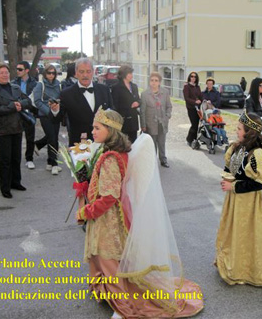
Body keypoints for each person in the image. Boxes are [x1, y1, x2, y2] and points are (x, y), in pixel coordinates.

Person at [76, 108, 204, 318]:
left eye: (97, 128)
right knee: (111, 258)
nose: (92, 131)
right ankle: (107, 291)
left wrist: (85, 211)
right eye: (93, 127)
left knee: (107, 259)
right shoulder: (118, 153)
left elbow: (109, 197)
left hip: (108, 219)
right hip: (116, 216)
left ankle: (124, 306)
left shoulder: (109, 158)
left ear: (110, 131)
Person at [216, 111, 262, 287]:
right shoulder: (236, 147)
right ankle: (232, 263)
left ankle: (249, 272)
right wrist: (227, 178)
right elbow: (230, 167)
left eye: (239, 128)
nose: (236, 130)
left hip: (249, 204)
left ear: (249, 132)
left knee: (246, 236)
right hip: (235, 201)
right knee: (234, 233)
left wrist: (233, 186)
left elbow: (258, 184)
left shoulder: (258, 154)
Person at [0, 63, 31, 198]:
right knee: (5, 160)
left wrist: (20, 105)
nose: (5, 75)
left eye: (6, 72)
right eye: (2, 73)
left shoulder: (15, 88)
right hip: (3, 129)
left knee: (16, 158)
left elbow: (27, 101)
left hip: (17, 127)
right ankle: (5, 187)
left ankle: (16, 182)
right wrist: (12, 107)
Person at [50, 58, 113, 146]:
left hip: (103, 143)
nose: (85, 75)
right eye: (81, 71)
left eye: (88, 71)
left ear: (93, 72)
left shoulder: (104, 90)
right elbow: (56, 120)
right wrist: (55, 110)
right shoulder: (66, 93)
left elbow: (112, 114)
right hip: (79, 144)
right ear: (76, 73)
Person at [33, 64, 63, 175]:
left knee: (54, 137)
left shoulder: (58, 85)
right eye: (49, 73)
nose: (51, 75)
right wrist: (48, 111)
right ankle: (55, 164)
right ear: (45, 74)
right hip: (45, 115)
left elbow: (61, 98)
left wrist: (57, 108)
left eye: (53, 73)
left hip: (56, 113)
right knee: (52, 138)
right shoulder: (40, 85)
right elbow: (37, 101)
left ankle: (49, 162)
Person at [140, 72, 172, 168]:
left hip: (162, 122)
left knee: (162, 143)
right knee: (152, 144)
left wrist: (167, 116)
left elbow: (169, 106)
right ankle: (152, 161)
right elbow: (142, 111)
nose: (154, 82)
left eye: (156, 80)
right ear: (149, 82)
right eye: (152, 80)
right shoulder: (145, 94)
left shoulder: (165, 92)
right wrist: (143, 125)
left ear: (159, 82)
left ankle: (163, 160)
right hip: (150, 123)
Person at [11, 61, 38, 170]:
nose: (18, 71)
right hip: (16, 113)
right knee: (16, 138)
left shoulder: (34, 83)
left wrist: (32, 110)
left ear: (27, 70)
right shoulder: (13, 83)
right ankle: (15, 159)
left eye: (20, 69)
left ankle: (29, 159)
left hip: (29, 112)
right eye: (17, 69)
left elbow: (35, 99)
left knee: (30, 137)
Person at [111, 65, 140, 143]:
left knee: (134, 144)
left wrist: (137, 103)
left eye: (131, 73)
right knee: (123, 144)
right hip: (123, 122)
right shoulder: (116, 87)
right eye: (129, 73)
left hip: (133, 121)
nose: (131, 75)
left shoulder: (134, 86)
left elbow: (138, 99)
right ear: (123, 74)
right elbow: (115, 105)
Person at [183, 71, 203, 147]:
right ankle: (189, 139)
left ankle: (194, 140)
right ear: (189, 77)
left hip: (198, 108)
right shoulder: (187, 86)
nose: (193, 78)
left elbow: (201, 96)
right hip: (191, 108)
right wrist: (195, 102)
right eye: (192, 76)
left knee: (197, 124)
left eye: (195, 77)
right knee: (194, 124)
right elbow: (187, 98)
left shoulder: (197, 87)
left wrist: (202, 100)